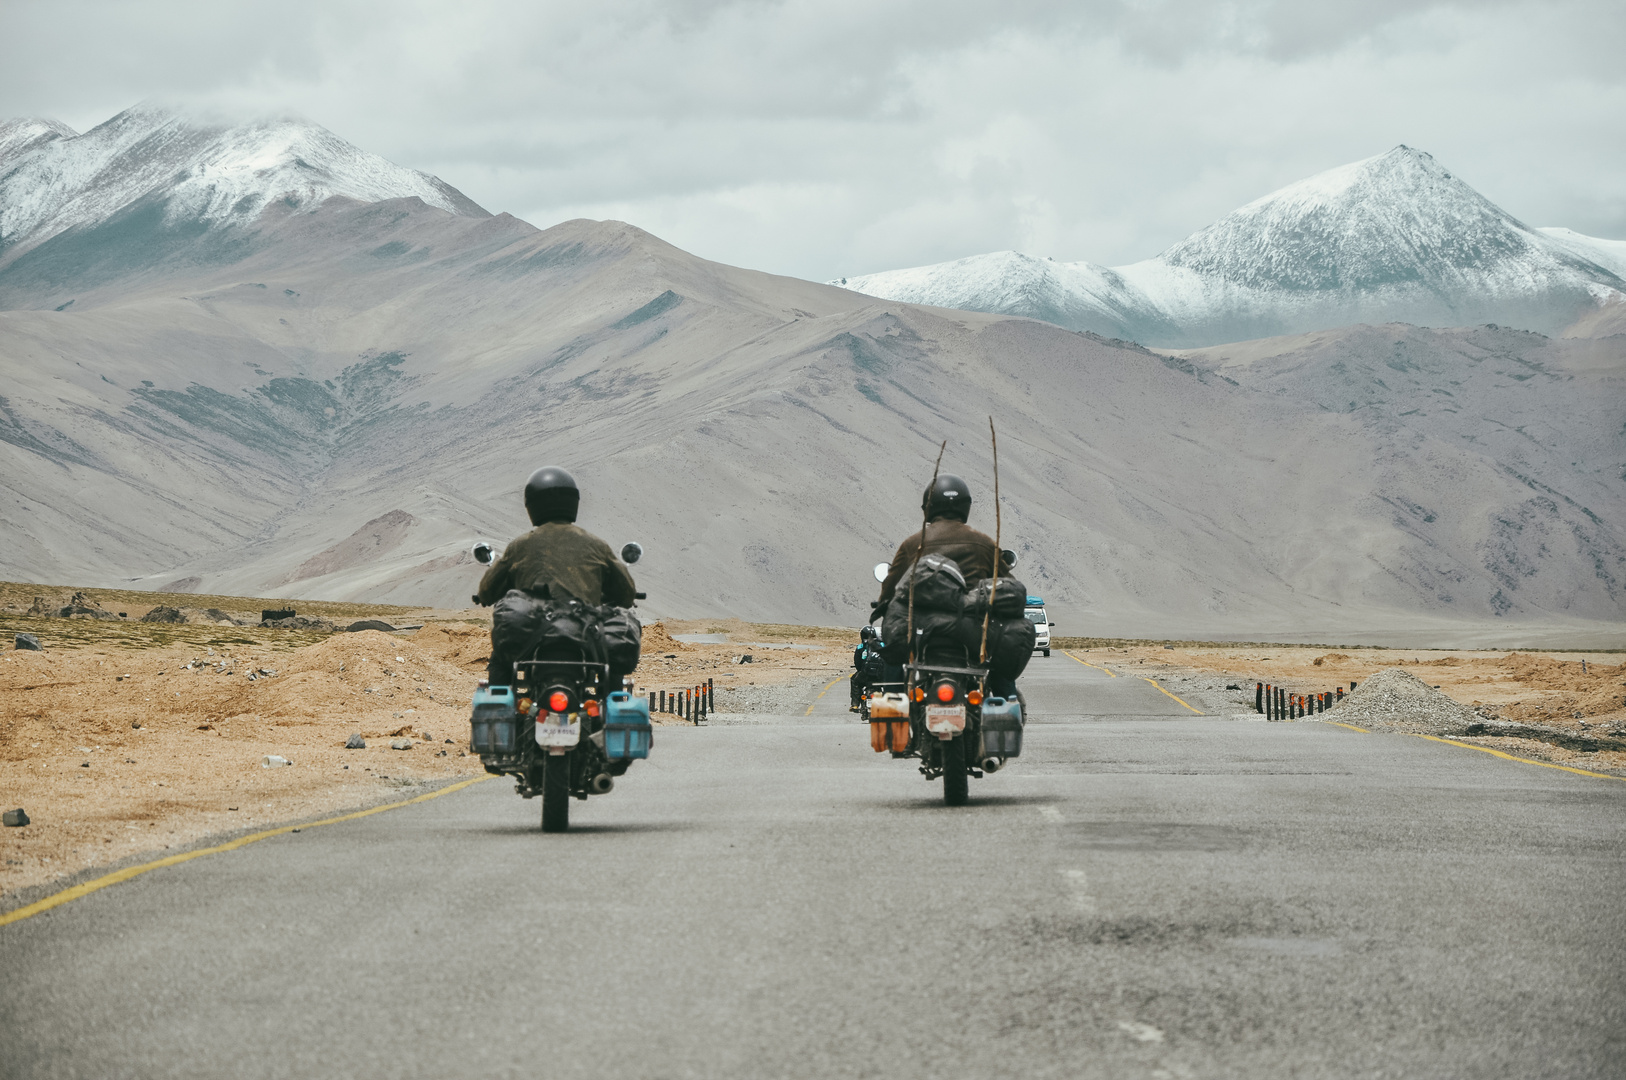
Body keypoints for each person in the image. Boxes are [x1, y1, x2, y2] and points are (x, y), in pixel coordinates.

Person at [474, 467, 638, 685]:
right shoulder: (596, 545)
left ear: (531, 504)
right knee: (609, 665)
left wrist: (487, 595)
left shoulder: (520, 546)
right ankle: (613, 700)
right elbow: (626, 593)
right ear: (573, 501)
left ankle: (498, 706)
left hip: (532, 634)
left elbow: (487, 590)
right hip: (585, 633)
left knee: (501, 658)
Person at [874, 473, 1019, 698]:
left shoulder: (914, 543)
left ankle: (892, 700)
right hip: (971, 630)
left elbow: (889, 585)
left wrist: (886, 603)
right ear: (965, 506)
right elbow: (1008, 585)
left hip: (921, 630)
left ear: (928, 506)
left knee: (894, 652)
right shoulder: (983, 543)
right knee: (999, 669)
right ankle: (1007, 700)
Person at [850, 625, 885, 711]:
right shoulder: (883, 645)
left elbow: (857, 663)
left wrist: (860, 670)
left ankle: (855, 704)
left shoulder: (861, 647)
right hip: (881, 675)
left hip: (866, 674)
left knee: (854, 680)